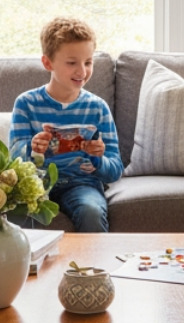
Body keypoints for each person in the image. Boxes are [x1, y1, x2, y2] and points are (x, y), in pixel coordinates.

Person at [8, 17, 122, 232]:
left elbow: (115, 170)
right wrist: (33, 150)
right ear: (48, 63)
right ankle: (25, 265)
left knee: (92, 211)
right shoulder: (26, 103)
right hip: (35, 183)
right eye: (72, 63)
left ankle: (93, 265)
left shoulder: (97, 108)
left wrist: (98, 159)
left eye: (88, 62)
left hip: (81, 184)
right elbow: (14, 160)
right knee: (17, 213)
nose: (82, 71)